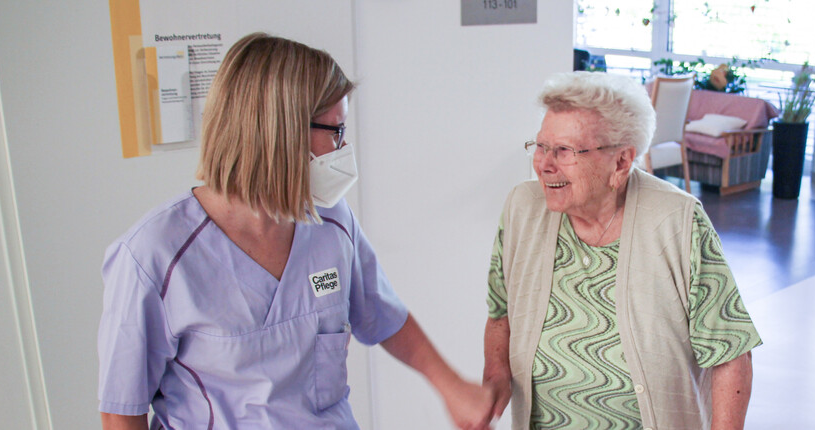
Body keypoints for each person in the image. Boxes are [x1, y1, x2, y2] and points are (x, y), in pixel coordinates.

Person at [97, 33, 494, 430]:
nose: (342, 148)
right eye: (335, 131)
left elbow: (383, 316)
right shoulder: (153, 256)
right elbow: (121, 411)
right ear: (282, 133)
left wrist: (452, 387)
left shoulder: (331, 223)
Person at [482, 72, 762, 429]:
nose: (544, 164)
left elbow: (731, 354)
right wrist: (495, 378)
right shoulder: (522, 208)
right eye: (540, 146)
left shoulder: (677, 221)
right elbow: (500, 313)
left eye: (564, 151)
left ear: (620, 162)